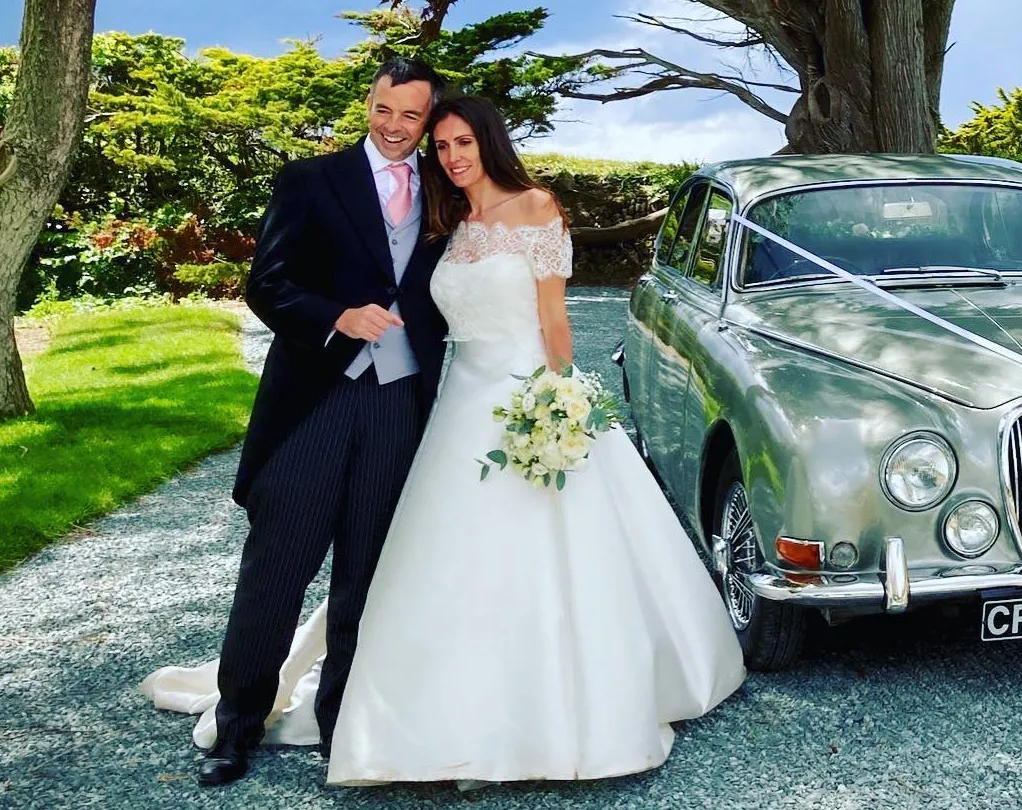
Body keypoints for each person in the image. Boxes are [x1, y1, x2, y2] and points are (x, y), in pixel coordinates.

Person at [142, 94, 746, 787]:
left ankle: (511, 714)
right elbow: (294, 283)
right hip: (444, 406)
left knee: (509, 560)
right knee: (367, 562)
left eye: (463, 142)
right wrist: (339, 314)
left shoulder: (533, 208)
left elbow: (555, 323)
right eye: (445, 146)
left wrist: (560, 398)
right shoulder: (441, 217)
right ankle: (282, 719)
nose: (453, 157)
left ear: (489, 142)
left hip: (517, 399)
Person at [148, 57, 450, 787]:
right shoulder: (310, 181)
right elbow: (268, 284)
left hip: (399, 406)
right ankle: (237, 726)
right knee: (276, 571)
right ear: (368, 103)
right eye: (385, 109)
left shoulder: (450, 194)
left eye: (412, 116)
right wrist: (336, 317)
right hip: (316, 400)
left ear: (429, 118)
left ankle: (343, 729)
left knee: (366, 579)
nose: (396, 127)